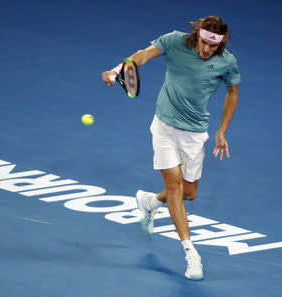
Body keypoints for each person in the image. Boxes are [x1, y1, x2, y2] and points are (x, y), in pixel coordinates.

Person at [101, 16, 240, 280]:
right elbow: (141, 57)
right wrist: (117, 70)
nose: (206, 49)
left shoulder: (227, 62)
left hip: (195, 132)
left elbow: (233, 92)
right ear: (197, 34)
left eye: (213, 46)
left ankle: (150, 202)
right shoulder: (175, 41)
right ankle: (191, 254)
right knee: (175, 186)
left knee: (189, 193)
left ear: (220, 45)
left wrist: (222, 130)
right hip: (164, 126)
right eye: (203, 42)